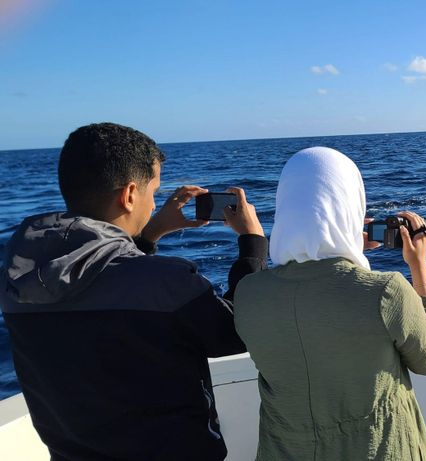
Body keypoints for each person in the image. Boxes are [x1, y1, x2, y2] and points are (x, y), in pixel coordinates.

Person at [0, 123, 268, 460]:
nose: (154, 203)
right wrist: (253, 244)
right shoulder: (167, 281)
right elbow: (238, 331)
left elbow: (100, 278)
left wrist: (149, 233)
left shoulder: (19, 277)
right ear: (129, 195)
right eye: (153, 192)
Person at [233, 147, 426, 461]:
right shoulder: (385, 291)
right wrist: (419, 267)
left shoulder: (250, 292)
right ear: (351, 205)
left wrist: (346, 246)